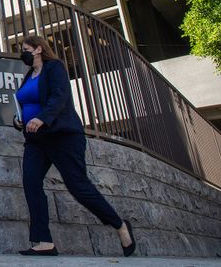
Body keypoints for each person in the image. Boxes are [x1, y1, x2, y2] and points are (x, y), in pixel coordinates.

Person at [13, 35, 136, 257]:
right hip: (35, 140)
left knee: (78, 186)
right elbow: (25, 104)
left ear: (39, 49)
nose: (23, 53)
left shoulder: (54, 68)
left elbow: (60, 98)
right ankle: (44, 242)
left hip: (62, 136)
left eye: (25, 49)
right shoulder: (29, 76)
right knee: (31, 183)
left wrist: (41, 118)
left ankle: (120, 225)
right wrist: (19, 120)